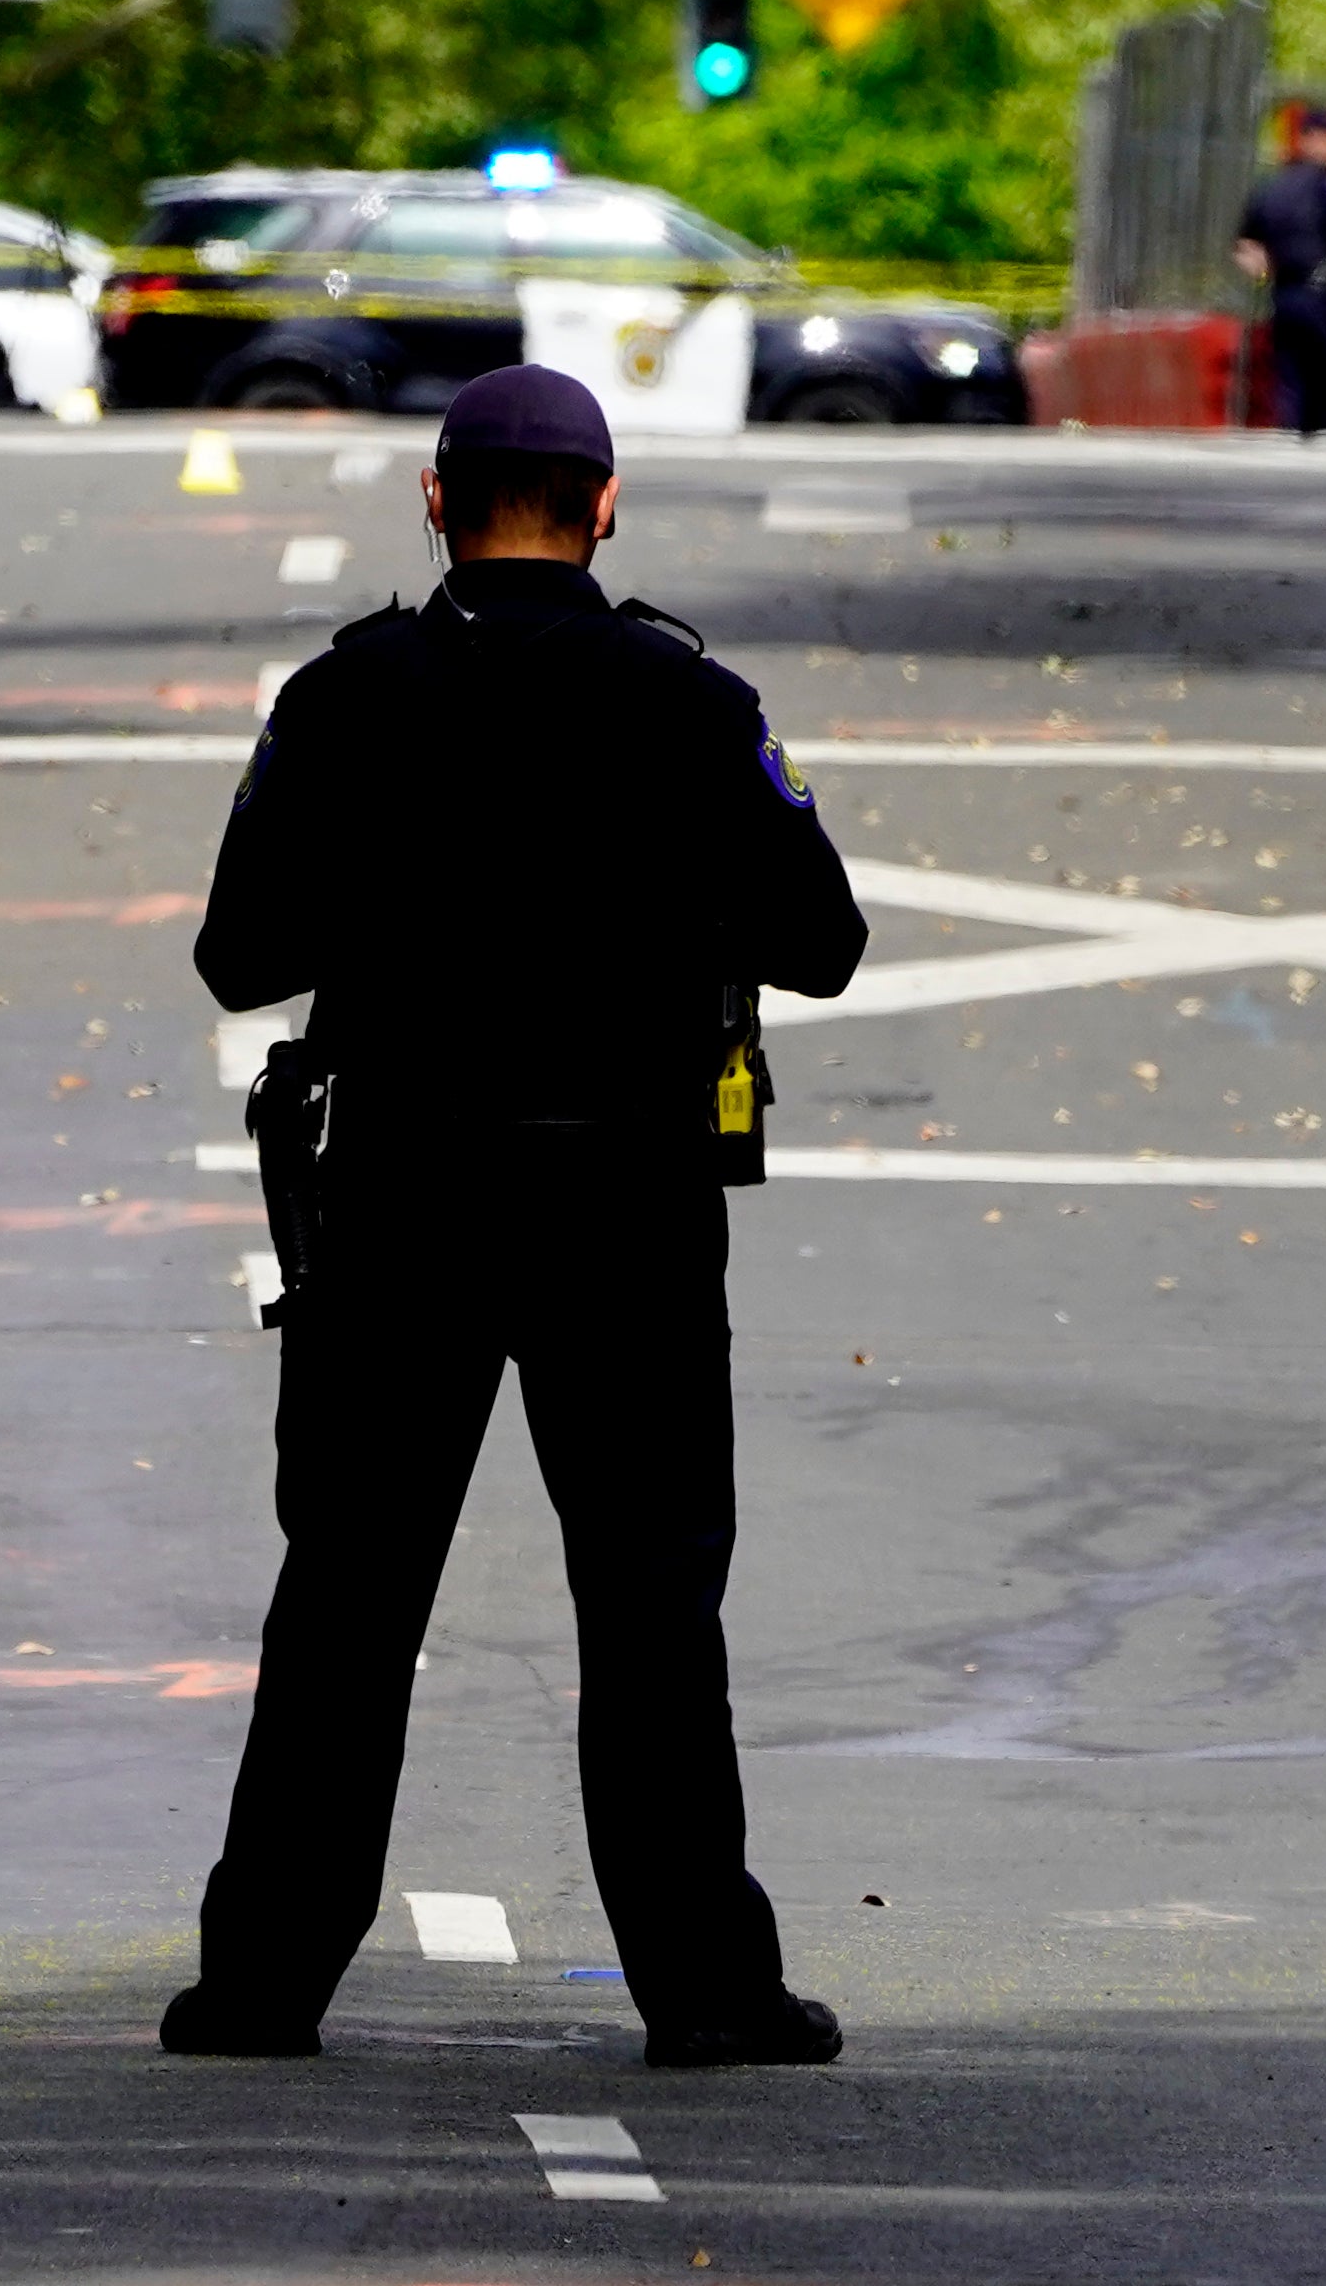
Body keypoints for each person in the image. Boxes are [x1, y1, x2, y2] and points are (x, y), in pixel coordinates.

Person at [161, 363, 869, 2072]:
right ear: (605, 500)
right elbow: (822, 935)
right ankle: (703, 1985)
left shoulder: (346, 697)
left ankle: (262, 1979)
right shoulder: (688, 704)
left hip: (402, 1192)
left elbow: (238, 952)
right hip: (622, 1200)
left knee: (345, 1597)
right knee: (644, 1605)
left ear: (435, 498)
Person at [1234, 104, 1326, 433]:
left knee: (1292, 386)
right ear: (1307, 138)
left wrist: (1265, 273)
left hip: (1285, 297)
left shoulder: (1272, 185)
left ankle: (1293, 457)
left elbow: (1247, 248)